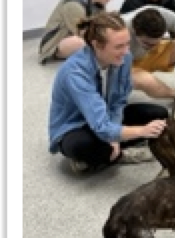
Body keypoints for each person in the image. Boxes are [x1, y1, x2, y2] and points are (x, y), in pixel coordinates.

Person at [48, 11, 168, 173]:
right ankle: (110, 155)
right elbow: (100, 125)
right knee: (82, 145)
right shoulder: (75, 72)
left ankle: (107, 153)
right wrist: (140, 131)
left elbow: (118, 102)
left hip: (105, 116)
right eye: (119, 46)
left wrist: (115, 133)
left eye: (127, 43)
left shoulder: (124, 58)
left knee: (159, 114)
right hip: (76, 125)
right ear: (97, 45)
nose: (126, 51)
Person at [38, 0, 118, 64]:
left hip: (73, 37)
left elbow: (103, 25)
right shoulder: (74, 5)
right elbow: (83, 33)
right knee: (81, 42)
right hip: (54, 45)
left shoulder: (98, 4)